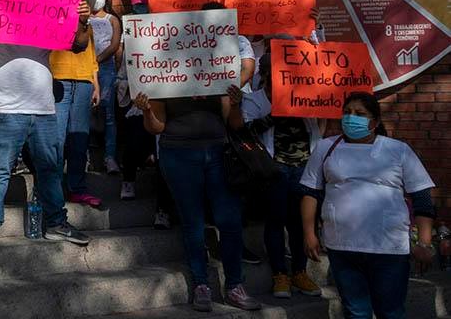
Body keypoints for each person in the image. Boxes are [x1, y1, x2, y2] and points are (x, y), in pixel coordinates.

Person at [0, 0, 94, 250]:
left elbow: (79, 45)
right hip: (7, 106)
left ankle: (56, 223)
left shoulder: (50, 12)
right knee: (0, 169)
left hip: (44, 107)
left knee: (49, 168)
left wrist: (82, 19)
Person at [300, 92, 435, 319]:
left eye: (360, 114)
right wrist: (309, 234)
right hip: (342, 247)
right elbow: (310, 193)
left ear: (375, 122)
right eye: (347, 112)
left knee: (390, 312)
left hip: (389, 249)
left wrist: (425, 242)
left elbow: (422, 198)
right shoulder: (325, 148)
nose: (351, 118)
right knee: (356, 312)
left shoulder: (398, 150)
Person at [134, 84, 262, 312]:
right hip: (178, 154)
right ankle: (201, 285)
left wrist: (234, 104)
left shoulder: (216, 74)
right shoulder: (164, 77)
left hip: (218, 154)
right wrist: (146, 110)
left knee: (230, 220)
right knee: (192, 222)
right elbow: (156, 127)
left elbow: (235, 123)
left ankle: (235, 285)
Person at [243, 53, 323, 299]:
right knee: (276, 219)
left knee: (300, 222)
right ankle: (280, 274)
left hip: (304, 168)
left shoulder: (304, 94)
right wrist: (275, 114)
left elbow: (316, 126)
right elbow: (247, 132)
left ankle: (299, 271)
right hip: (274, 168)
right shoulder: (253, 101)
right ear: (266, 76)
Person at [50, 14, 101, 207]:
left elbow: (91, 55)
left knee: (79, 139)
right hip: (57, 79)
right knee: (57, 139)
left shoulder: (87, 23)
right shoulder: (51, 15)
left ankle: (77, 189)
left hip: (84, 83)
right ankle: (52, 189)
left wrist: (95, 83)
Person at [88, 0, 122, 174]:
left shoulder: (112, 19)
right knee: (86, 112)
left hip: (106, 68)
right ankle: (88, 156)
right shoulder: (84, 19)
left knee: (108, 113)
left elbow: (114, 44)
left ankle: (110, 156)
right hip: (86, 69)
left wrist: (98, 60)